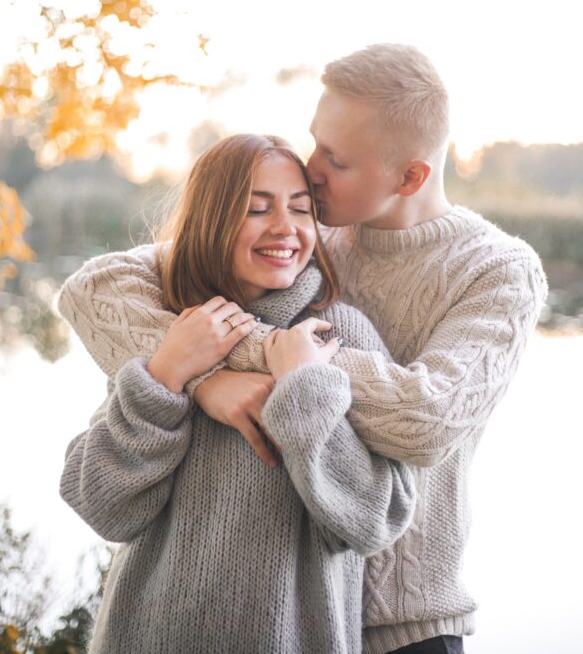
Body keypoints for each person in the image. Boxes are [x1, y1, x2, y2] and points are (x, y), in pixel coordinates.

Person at [59, 44, 547, 654]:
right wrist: (200, 376)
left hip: (406, 621)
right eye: (315, 143)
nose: (310, 172)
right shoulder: (305, 238)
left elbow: (426, 422)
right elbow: (96, 289)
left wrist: (282, 362)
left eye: (336, 160)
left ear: (410, 177)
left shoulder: (496, 270)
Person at [59, 134, 416, 654]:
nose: (286, 228)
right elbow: (102, 507)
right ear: (211, 219)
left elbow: (375, 521)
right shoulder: (169, 331)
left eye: (302, 208)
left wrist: (304, 390)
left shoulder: (340, 334)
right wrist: (167, 376)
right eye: (256, 209)